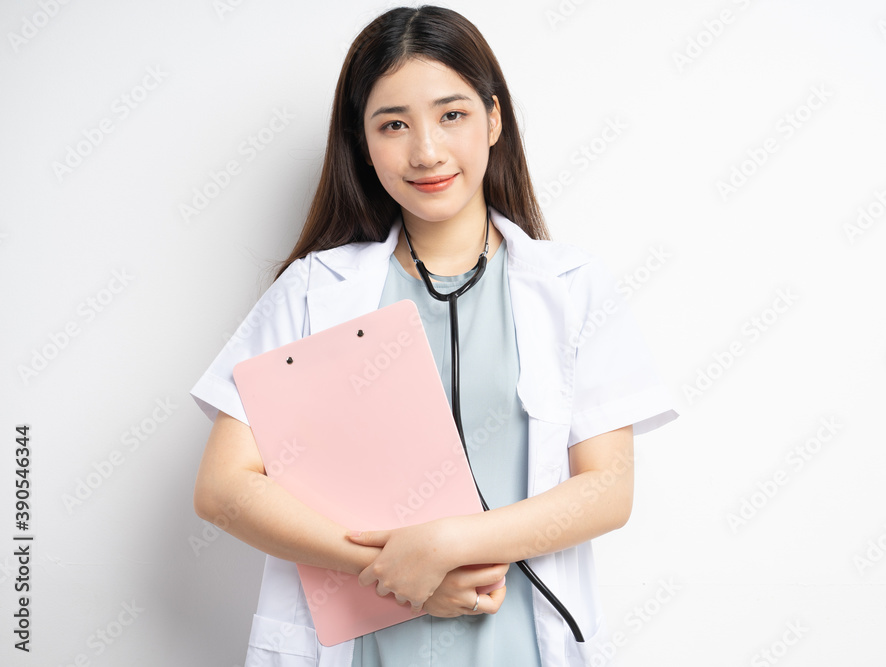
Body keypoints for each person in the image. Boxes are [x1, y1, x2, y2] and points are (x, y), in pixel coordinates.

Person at [190, 5, 677, 666]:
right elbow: (223, 488)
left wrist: (449, 542)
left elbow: (607, 489)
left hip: (520, 647)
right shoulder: (312, 291)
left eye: (452, 114)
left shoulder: (570, 286)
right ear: (362, 142)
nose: (426, 151)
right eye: (393, 124)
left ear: (494, 119)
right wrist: (399, 569)